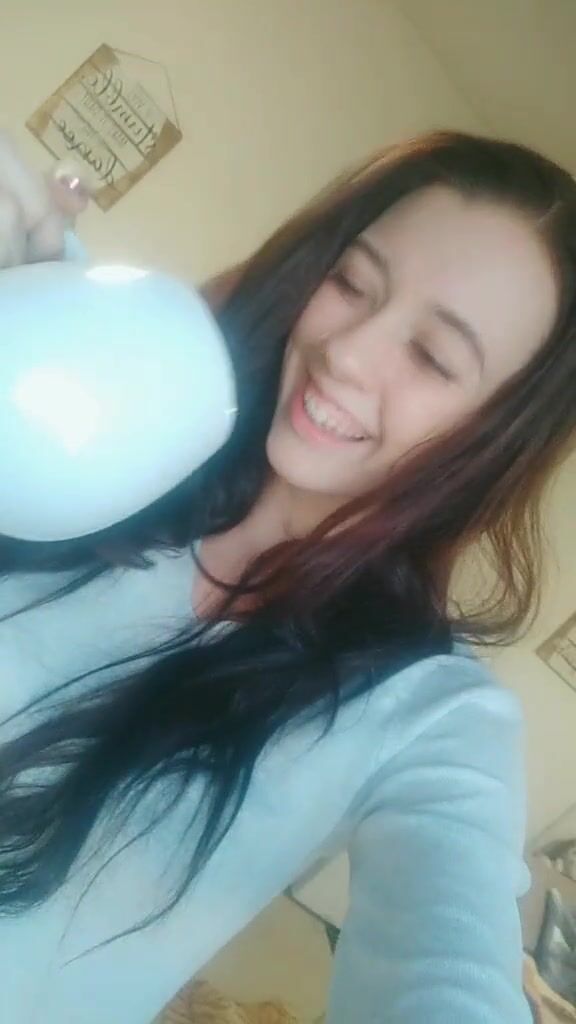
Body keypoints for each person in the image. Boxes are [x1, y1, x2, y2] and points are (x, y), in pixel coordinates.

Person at [0, 127, 574, 1024]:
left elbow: (450, 966)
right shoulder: (121, 426)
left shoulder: (433, 717)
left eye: (432, 357)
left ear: (491, 440)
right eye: (352, 283)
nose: (348, 352)